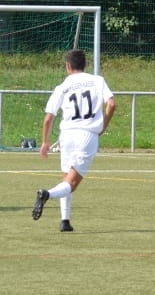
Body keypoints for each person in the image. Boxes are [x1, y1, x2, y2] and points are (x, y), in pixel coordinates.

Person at [32, 49, 115, 232]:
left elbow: (48, 118)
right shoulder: (97, 80)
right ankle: (47, 194)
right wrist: (103, 126)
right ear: (85, 64)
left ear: (68, 66)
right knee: (72, 182)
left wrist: (45, 142)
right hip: (87, 135)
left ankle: (65, 221)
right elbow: (112, 103)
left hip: (67, 135)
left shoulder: (62, 86)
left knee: (66, 176)